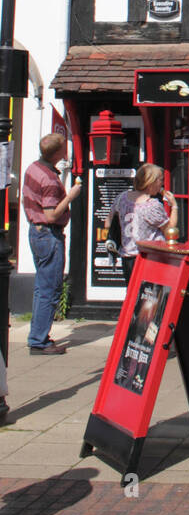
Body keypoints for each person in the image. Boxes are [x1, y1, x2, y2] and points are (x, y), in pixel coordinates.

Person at [22, 133, 82, 355]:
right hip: (48, 234)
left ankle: (38, 335)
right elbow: (51, 215)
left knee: (42, 287)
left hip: (35, 232)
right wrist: (71, 196)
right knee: (49, 289)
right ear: (59, 152)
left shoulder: (33, 168)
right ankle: (39, 340)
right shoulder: (48, 180)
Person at [109, 164, 176, 285]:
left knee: (132, 297)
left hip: (127, 258)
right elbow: (170, 231)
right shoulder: (152, 205)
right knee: (149, 299)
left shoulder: (121, 198)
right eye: (161, 180)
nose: (162, 184)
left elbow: (108, 222)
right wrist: (174, 206)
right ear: (151, 182)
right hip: (149, 259)